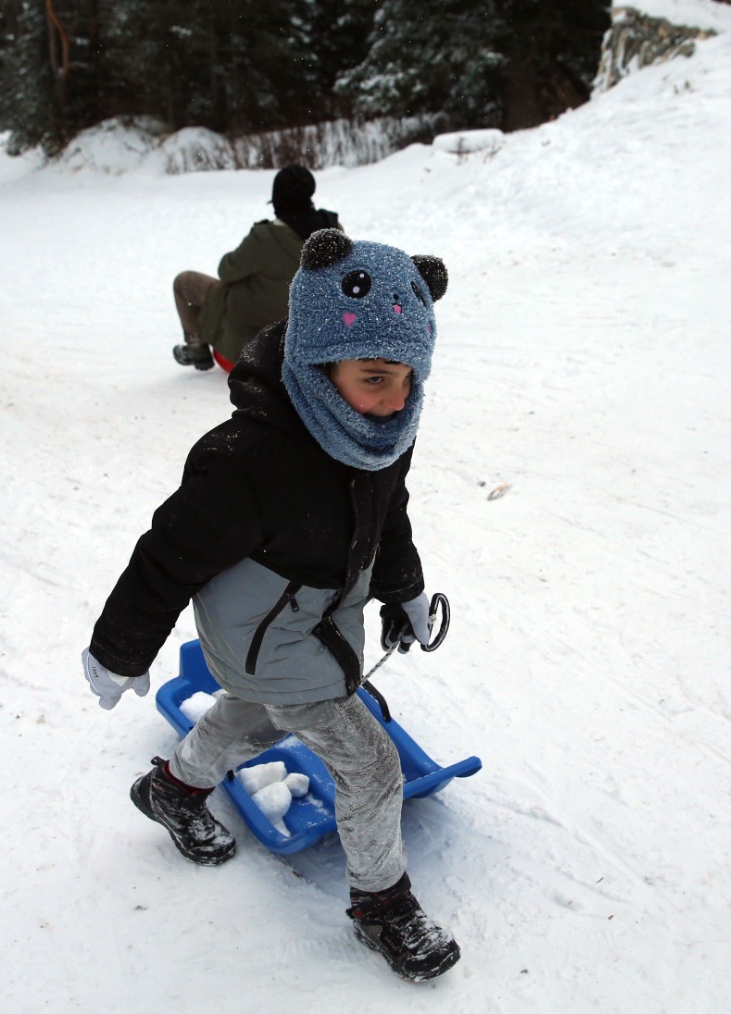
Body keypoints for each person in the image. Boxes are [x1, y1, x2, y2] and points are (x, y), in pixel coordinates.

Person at [83, 228, 461, 982]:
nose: (395, 401)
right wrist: (120, 648)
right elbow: (168, 554)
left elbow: (389, 516)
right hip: (262, 632)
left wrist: (405, 590)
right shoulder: (248, 459)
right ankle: (381, 906)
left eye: (408, 379)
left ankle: (174, 788)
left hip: (311, 622)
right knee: (372, 766)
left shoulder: (382, 433)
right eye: (376, 377)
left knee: (254, 711)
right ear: (319, 361)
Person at [171, 165, 342, 371]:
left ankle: (197, 349)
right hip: (309, 346)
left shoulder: (265, 238)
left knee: (185, 282)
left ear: (277, 201)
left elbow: (226, 271)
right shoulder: (333, 232)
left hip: (255, 355)